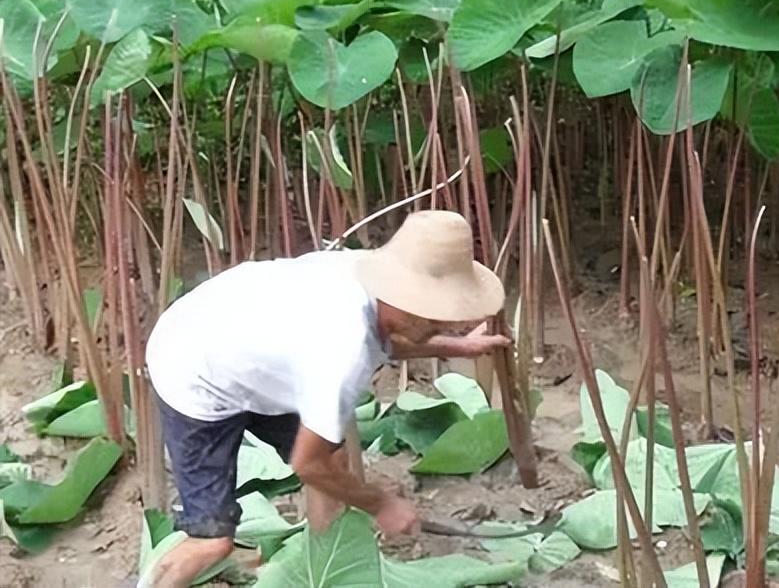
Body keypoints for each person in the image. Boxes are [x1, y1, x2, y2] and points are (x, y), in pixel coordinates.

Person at [142, 210, 510, 587]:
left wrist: (458, 347)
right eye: (437, 316)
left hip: (245, 345)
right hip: (193, 369)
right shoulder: (341, 347)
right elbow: (307, 463)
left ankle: (323, 568)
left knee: (333, 462)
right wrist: (382, 504)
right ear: (406, 299)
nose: (445, 323)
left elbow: (387, 338)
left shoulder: (369, 278)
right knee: (212, 542)